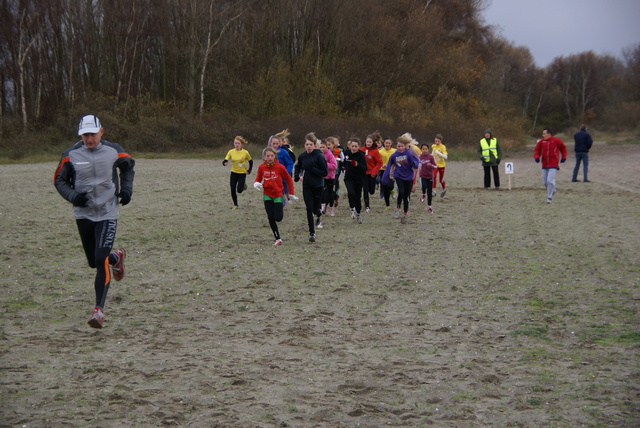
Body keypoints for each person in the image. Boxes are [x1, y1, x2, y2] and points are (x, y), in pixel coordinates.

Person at [54, 115, 135, 329]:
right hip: (84, 214)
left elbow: (128, 167)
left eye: (93, 134)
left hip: (108, 212)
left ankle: (98, 310)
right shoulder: (70, 154)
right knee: (94, 261)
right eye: (85, 135)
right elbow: (59, 180)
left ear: (102, 132)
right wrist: (72, 196)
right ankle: (116, 257)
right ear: (80, 135)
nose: (90, 139)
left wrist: (126, 189)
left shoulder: (114, 150)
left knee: (100, 260)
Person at [254, 147, 295, 246]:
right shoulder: (261, 167)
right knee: (270, 218)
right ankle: (277, 238)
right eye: (268, 156)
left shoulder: (280, 167)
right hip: (267, 195)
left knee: (278, 218)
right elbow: (258, 179)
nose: (270, 158)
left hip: (277, 195)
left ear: (275, 156)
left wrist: (291, 193)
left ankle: (278, 235)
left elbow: (289, 179)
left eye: (272, 156)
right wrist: (256, 183)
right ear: (264, 156)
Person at [294, 133, 328, 242]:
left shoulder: (319, 156)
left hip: (318, 185)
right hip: (307, 185)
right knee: (309, 208)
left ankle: (318, 213)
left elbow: (324, 172)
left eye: (310, 144)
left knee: (315, 209)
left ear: (314, 145)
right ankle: (312, 233)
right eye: (307, 144)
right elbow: (298, 166)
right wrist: (296, 175)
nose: (308, 146)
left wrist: (312, 169)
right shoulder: (302, 156)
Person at [382, 134, 420, 224]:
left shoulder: (409, 153)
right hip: (399, 176)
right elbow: (388, 167)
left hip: (409, 176)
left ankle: (405, 213)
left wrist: (414, 164)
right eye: (398, 146)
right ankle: (398, 208)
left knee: (406, 196)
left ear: (404, 146)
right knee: (401, 192)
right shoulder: (394, 156)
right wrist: (385, 178)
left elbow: (416, 161)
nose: (400, 148)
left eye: (402, 146)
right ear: (396, 146)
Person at [534, 127, 567, 204]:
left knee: (550, 180)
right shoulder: (541, 142)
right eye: (543, 134)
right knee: (544, 182)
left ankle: (549, 198)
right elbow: (537, 150)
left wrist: (564, 157)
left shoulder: (556, 140)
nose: (543, 135)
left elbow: (563, 148)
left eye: (544, 133)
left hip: (553, 164)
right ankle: (553, 189)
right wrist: (536, 157)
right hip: (544, 164)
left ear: (549, 134)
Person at [223, 136, 253, 209]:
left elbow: (250, 161)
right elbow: (225, 160)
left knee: (239, 190)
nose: (237, 145)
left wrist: (249, 170)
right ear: (234, 144)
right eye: (235, 143)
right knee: (232, 189)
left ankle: (243, 185)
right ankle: (235, 204)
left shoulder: (245, 152)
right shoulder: (231, 151)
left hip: (242, 173)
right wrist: (225, 162)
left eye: (238, 143)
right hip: (233, 173)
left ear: (241, 144)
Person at [343, 138, 367, 223]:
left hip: (358, 179)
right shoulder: (346, 153)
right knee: (351, 192)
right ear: (349, 146)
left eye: (355, 146)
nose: (353, 148)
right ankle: (352, 208)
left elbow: (364, 168)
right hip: (348, 178)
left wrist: (357, 164)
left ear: (358, 147)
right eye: (352, 146)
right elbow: (343, 163)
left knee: (358, 197)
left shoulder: (361, 155)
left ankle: (359, 214)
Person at [360, 132, 383, 213]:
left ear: (373, 142)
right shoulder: (362, 150)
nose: (368, 143)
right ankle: (367, 206)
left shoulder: (375, 151)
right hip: (364, 173)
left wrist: (374, 172)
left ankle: (375, 186)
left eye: (370, 142)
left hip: (372, 173)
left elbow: (379, 163)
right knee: (365, 189)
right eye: (367, 142)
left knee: (371, 191)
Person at [319, 140, 338, 216]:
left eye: (323, 147)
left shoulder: (329, 154)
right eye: (320, 147)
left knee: (329, 192)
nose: (322, 149)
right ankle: (323, 206)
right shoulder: (319, 154)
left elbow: (334, 166)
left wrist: (325, 164)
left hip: (330, 176)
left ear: (327, 146)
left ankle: (331, 207)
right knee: (322, 191)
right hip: (322, 176)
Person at [418, 143, 437, 213]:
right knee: (423, 187)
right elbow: (417, 165)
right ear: (421, 150)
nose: (425, 150)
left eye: (426, 149)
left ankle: (429, 206)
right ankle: (423, 194)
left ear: (428, 150)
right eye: (423, 149)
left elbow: (435, 166)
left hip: (430, 176)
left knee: (429, 191)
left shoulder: (431, 157)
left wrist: (431, 165)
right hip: (422, 175)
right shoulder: (419, 156)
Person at [378, 137, 396, 209]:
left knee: (390, 185)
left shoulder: (395, 151)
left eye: (389, 143)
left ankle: (392, 190)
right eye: (386, 143)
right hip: (383, 170)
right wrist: (382, 165)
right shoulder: (380, 152)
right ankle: (387, 204)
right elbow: (378, 161)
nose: (387, 144)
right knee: (385, 186)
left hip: (392, 170)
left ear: (391, 143)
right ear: (384, 143)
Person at [326, 136, 344, 209]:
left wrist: (338, 159)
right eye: (327, 144)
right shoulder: (325, 151)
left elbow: (343, 159)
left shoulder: (339, 150)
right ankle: (332, 198)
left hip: (336, 171)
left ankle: (335, 195)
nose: (327, 146)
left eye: (329, 144)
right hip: (326, 172)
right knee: (327, 188)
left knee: (334, 184)